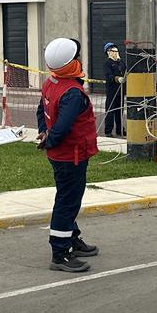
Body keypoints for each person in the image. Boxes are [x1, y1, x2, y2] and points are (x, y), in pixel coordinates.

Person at [36, 38, 100, 273]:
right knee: (68, 202)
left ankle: (72, 238)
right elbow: (62, 127)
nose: (80, 59)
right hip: (71, 155)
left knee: (68, 199)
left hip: (62, 154)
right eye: (77, 57)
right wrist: (50, 139)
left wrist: (44, 133)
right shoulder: (72, 92)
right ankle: (60, 253)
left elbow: (41, 111)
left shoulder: (51, 83)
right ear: (71, 63)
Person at [102, 41, 125, 137]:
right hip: (112, 91)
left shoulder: (121, 62)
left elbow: (126, 71)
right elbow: (108, 76)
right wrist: (117, 79)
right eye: (112, 50)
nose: (115, 52)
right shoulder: (107, 63)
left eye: (116, 50)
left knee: (120, 111)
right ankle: (108, 131)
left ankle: (120, 130)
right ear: (108, 52)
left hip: (121, 91)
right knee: (110, 111)